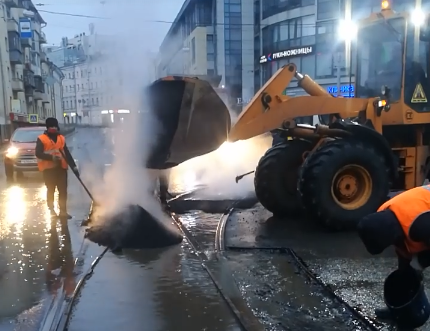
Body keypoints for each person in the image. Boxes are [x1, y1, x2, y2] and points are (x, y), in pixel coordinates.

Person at [357, 184, 430, 321]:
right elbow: (402, 247)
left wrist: (420, 263)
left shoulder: (420, 226)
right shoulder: (385, 214)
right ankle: (399, 311)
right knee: (406, 270)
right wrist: (407, 272)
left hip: (423, 218)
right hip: (420, 213)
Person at [35, 117, 78, 219]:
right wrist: (51, 157)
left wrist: (74, 166)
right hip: (48, 170)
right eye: (51, 127)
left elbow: (66, 153)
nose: (53, 128)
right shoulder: (41, 139)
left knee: (63, 191)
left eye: (54, 126)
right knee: (51, 190)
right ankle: (52, 210)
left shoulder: (61, 138)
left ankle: (63, 211)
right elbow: (38, 153)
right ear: (47, 127)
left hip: (61, 169)